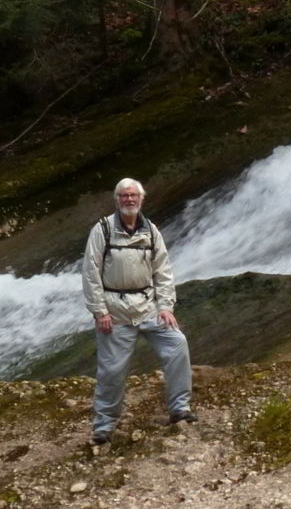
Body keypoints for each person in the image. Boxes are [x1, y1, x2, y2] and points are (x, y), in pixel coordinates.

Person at [82, 178, 195, 445]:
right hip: (115, 311)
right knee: (112, 370)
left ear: (141, 199)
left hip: (148, 307)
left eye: (133, 195)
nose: (129, 200)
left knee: (177, 344)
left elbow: (163, 272)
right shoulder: (102, 230)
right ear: (117, 199)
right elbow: (90, 273)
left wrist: (166, 306)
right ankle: (104, 426)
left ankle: (180, 408)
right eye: (123, 196)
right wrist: (100, 311)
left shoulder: (152, 231)